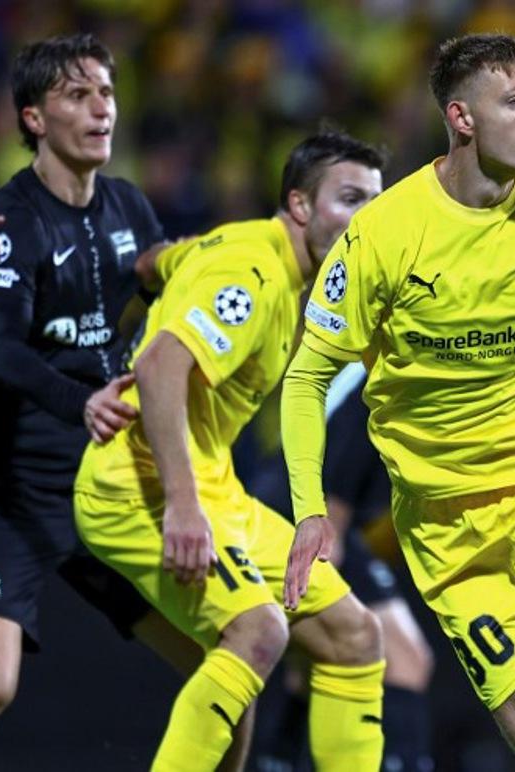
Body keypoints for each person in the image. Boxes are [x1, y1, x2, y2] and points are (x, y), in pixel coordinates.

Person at [280, 33, 515, 772]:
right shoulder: (384, 235)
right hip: (447, 523)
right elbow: (305, 379)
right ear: (461, 118)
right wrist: (306, 510)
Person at [0, 33, 251, 770]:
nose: (101, 108)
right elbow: (3, 352)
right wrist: (80, 401)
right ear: (34, 119)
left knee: (235, 658)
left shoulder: (128, 208)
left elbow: (159, 304)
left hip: (100, 486)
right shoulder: (10, 224)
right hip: (4, 492)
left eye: (107, 92)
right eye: (77, 95)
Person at [73, 130, 388, 771]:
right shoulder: (257, 273)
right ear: (299, 205)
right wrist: (184, 509)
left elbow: (155, 264)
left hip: (215, 487)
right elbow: (163, 366)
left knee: (355, 635)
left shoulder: (246, 252)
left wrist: (171, 261)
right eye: (348, 199)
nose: (365, 221)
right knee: (259, 629)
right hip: (140, 489)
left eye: (373, 205)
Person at [245, 365, 434, 772]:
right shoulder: (387, 375)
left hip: (283, 509)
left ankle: (274, 760)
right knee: (404, 660)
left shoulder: (372, 362)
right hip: (307, 522)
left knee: (309, 667)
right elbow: (335, 491)